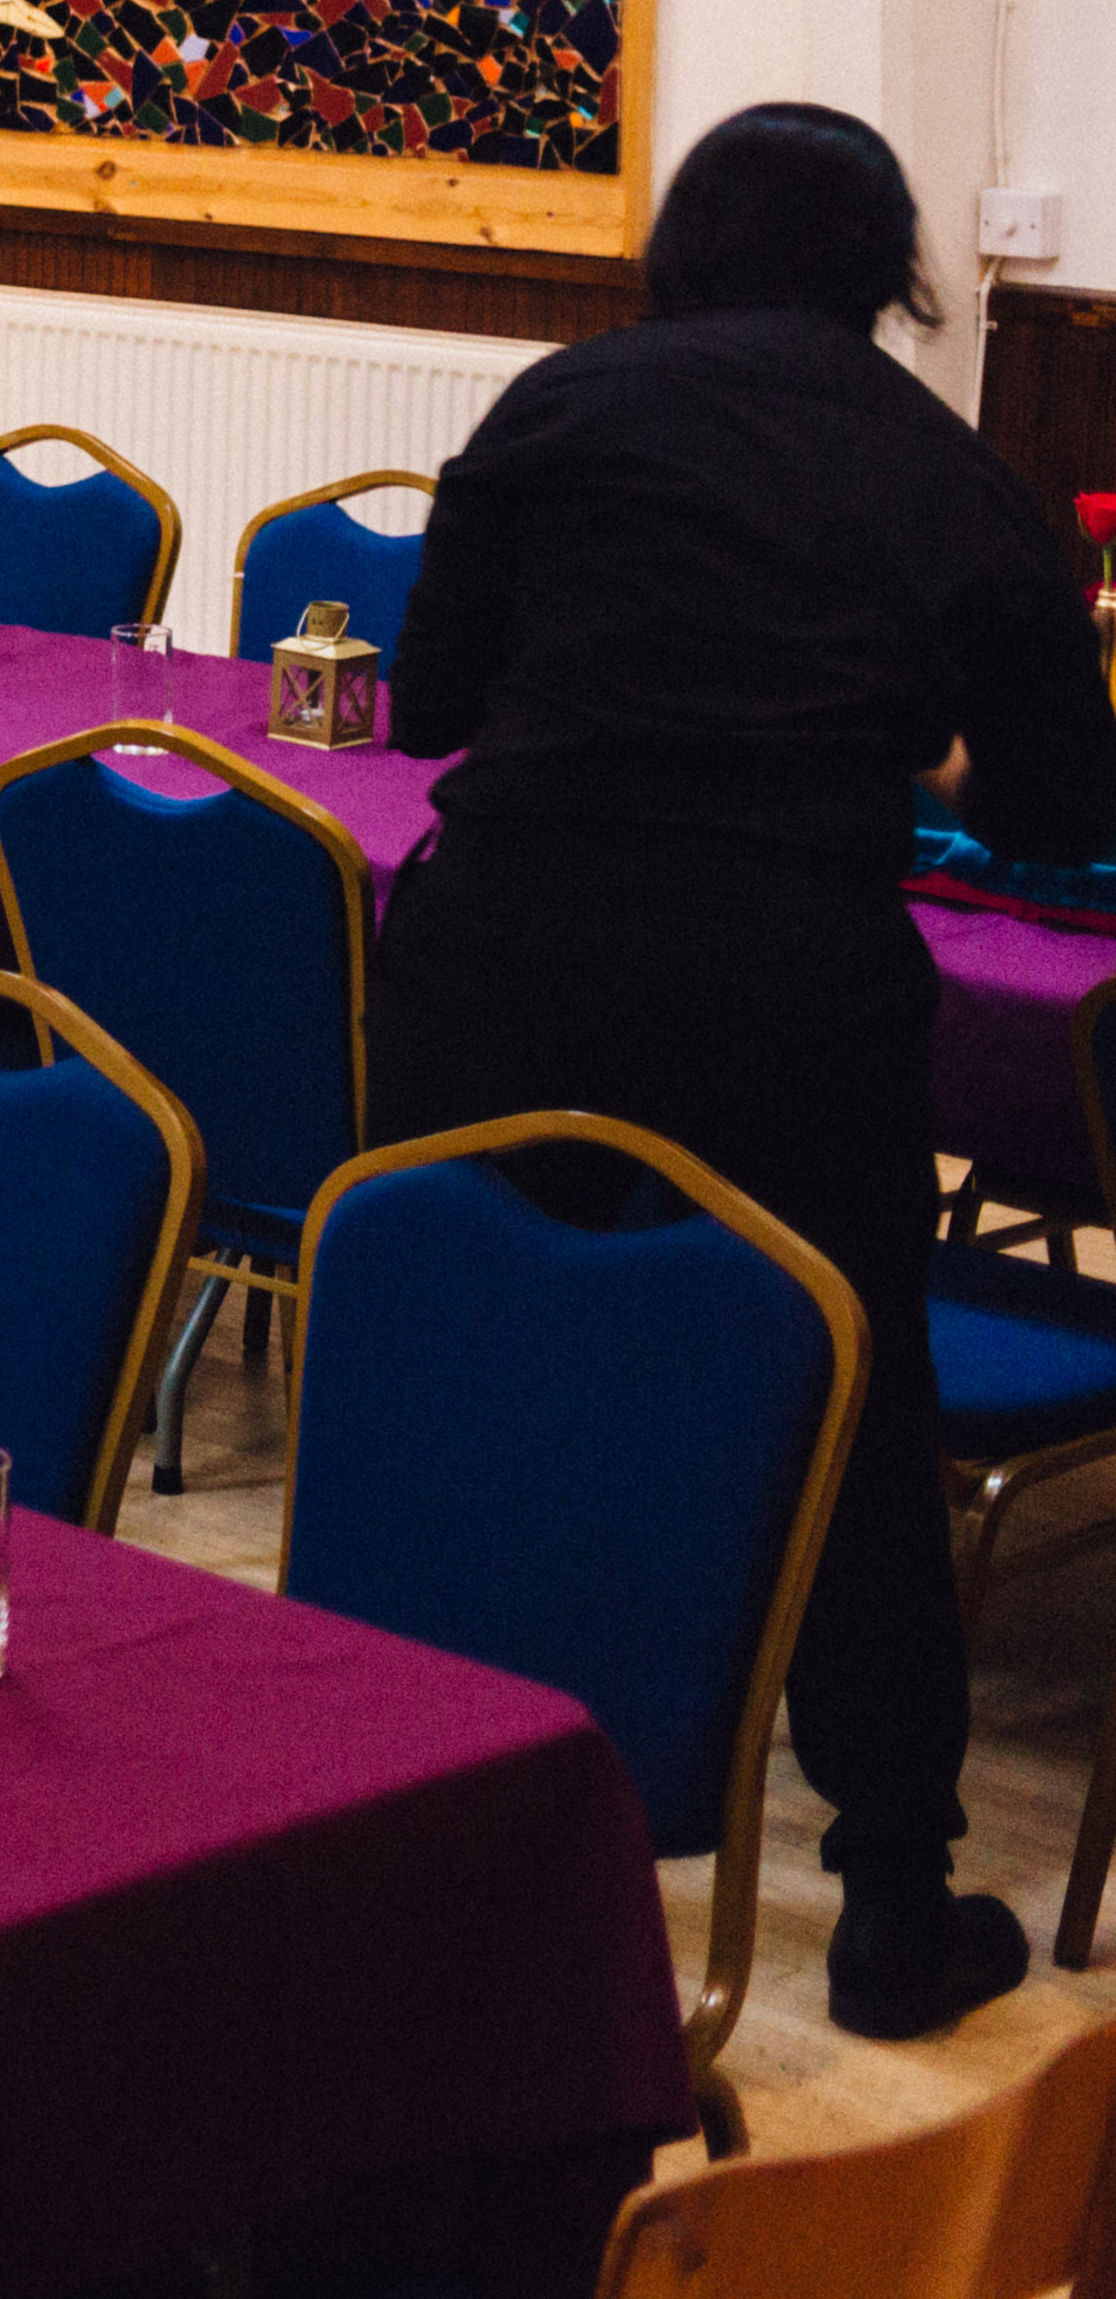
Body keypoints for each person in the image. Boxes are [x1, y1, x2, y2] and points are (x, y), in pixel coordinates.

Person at [373, 99, 1116, 2041]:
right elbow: (1062, 811)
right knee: (854, 1412)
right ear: (888, 277)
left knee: (472, 1372)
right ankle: (892, 1900)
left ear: (682, 248)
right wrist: (913, 750)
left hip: (505, 963)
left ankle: (403, 1811)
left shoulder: (558, 408)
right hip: (783, 992)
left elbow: (429, 703)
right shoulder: (955, 477)